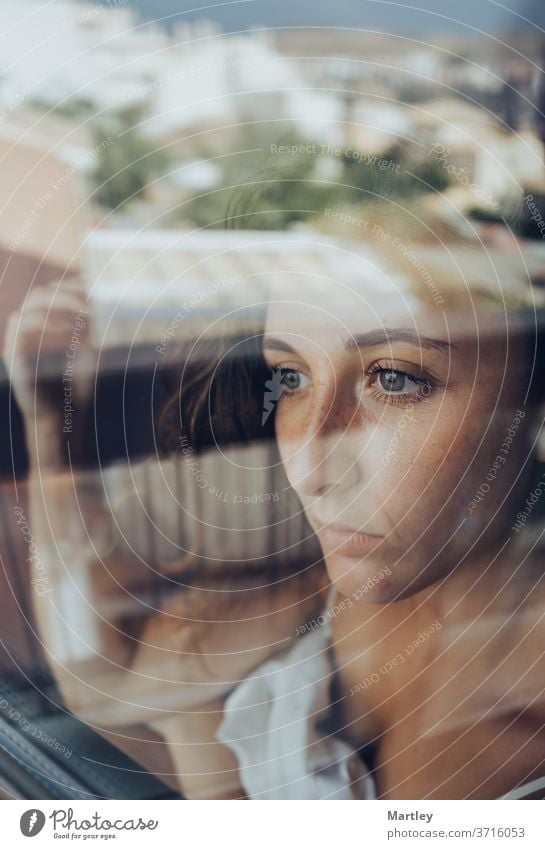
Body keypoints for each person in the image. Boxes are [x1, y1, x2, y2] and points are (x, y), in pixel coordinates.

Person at [6, 201, 545, 800]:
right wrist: (53, 431)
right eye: (290, 377)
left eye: (395, 378)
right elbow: (98, 679)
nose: (311, 467)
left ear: (529, 411)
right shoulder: (312, 611)